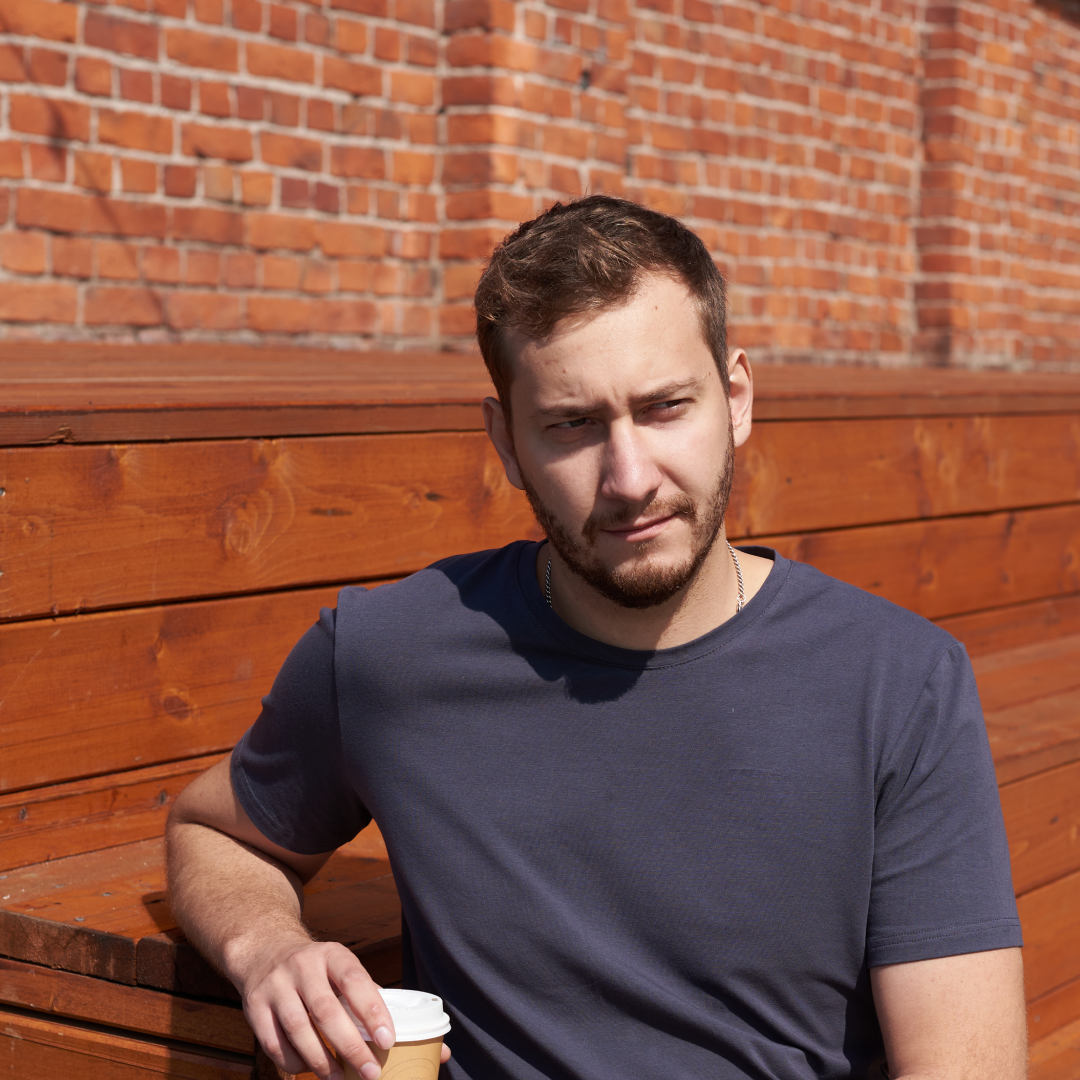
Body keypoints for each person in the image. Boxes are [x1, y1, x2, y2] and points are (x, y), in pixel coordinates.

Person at [166, 195, 1026, 1080]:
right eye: (572, 424)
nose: (629, 478)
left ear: (735, 398)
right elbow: (218, 833)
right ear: (506, 442)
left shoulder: (897, 683)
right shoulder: (389, 653)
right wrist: (268, 949)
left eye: (664, 407)